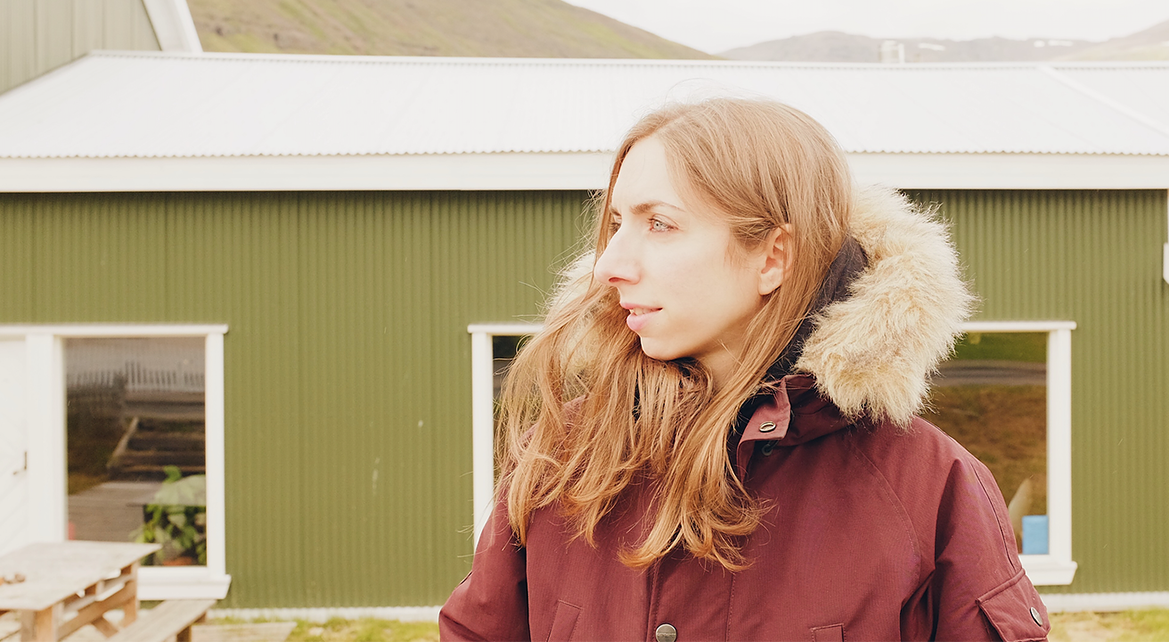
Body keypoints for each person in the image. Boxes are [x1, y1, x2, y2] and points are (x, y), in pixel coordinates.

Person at [440, 98, 1050, 642]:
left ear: (772, 256)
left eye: (660, 224)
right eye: (617, 223)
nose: (610, 265)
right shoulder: (565, 453)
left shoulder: (928, 486)